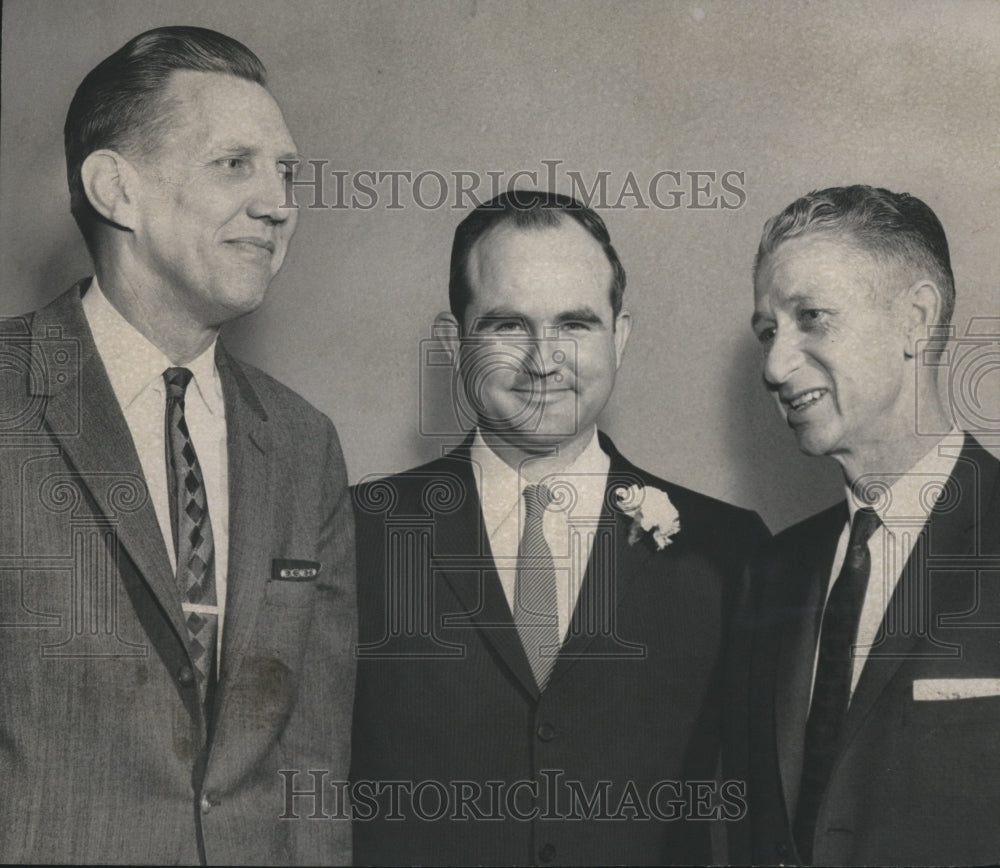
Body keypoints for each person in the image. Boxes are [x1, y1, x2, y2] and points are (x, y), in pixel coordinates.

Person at [0, 27, 355, 865]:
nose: (277, 203)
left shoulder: (305, 445)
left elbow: (314, 771)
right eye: (235, 163)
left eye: (287, 172)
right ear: (116, 188)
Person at [350, 189, 769, 866]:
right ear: (457, 341)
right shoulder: (354, 535)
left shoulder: (728, 551)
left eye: (574, 324)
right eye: (508, 325)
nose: (543, 361)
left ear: (619, 337)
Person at [734, 185, 1000, 866]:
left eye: (812, 318)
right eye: (769, 332)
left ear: (917, 318)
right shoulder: (771, 568)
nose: (773, 366)